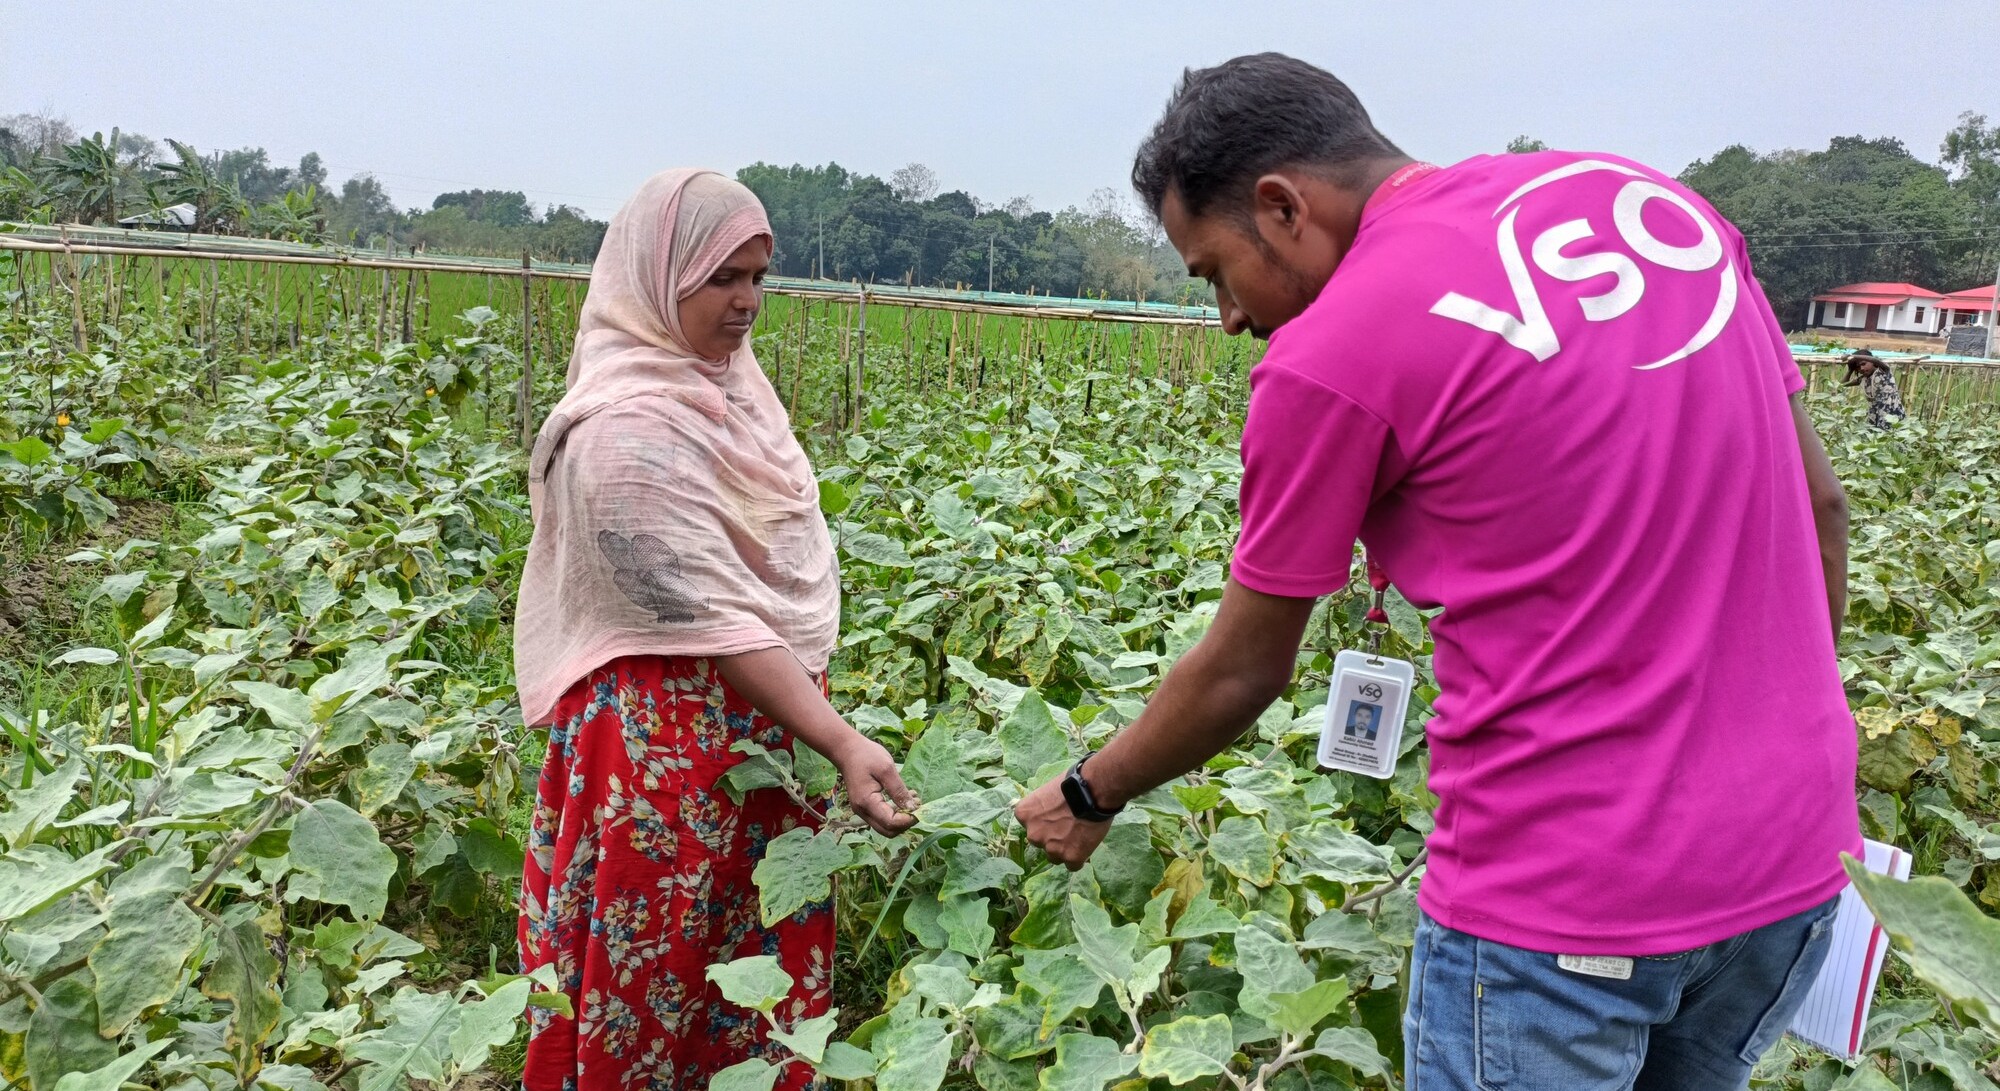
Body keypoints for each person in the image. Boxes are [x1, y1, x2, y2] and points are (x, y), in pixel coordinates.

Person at [1016, 54, 1859, 1091]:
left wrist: (1087, 789)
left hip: (1563, 906)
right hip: (1793, 866)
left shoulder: (1331, 353)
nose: (1228, 318)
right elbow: (1821, 508)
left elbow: (1242, 670)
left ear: (1281, 207)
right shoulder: (1641, 205)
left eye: (1212, 273)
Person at [513, 169, 917, 1091]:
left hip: (764, 742)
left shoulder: (732, 394)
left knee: (752, 981)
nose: (747, 303)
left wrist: (816, 734)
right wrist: (841, 740)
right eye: (723, 279)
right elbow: (716, 621)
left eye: (758, 277)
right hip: (661, 765)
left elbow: (751, 594)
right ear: (657, 281)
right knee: (657, 976)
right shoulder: (623, 436)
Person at [1842, 349, 1907, 429]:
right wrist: (1850, 369)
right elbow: (1842, 385)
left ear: (1873, 363)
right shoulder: (1863, 379)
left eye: (1864, 364)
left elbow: (1876, 360)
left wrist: (1852, 356)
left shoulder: (1883, 371)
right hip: (1875, 414)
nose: (1861, 368)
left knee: (1893, 435)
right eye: (1858, 367)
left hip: (1892, 411)